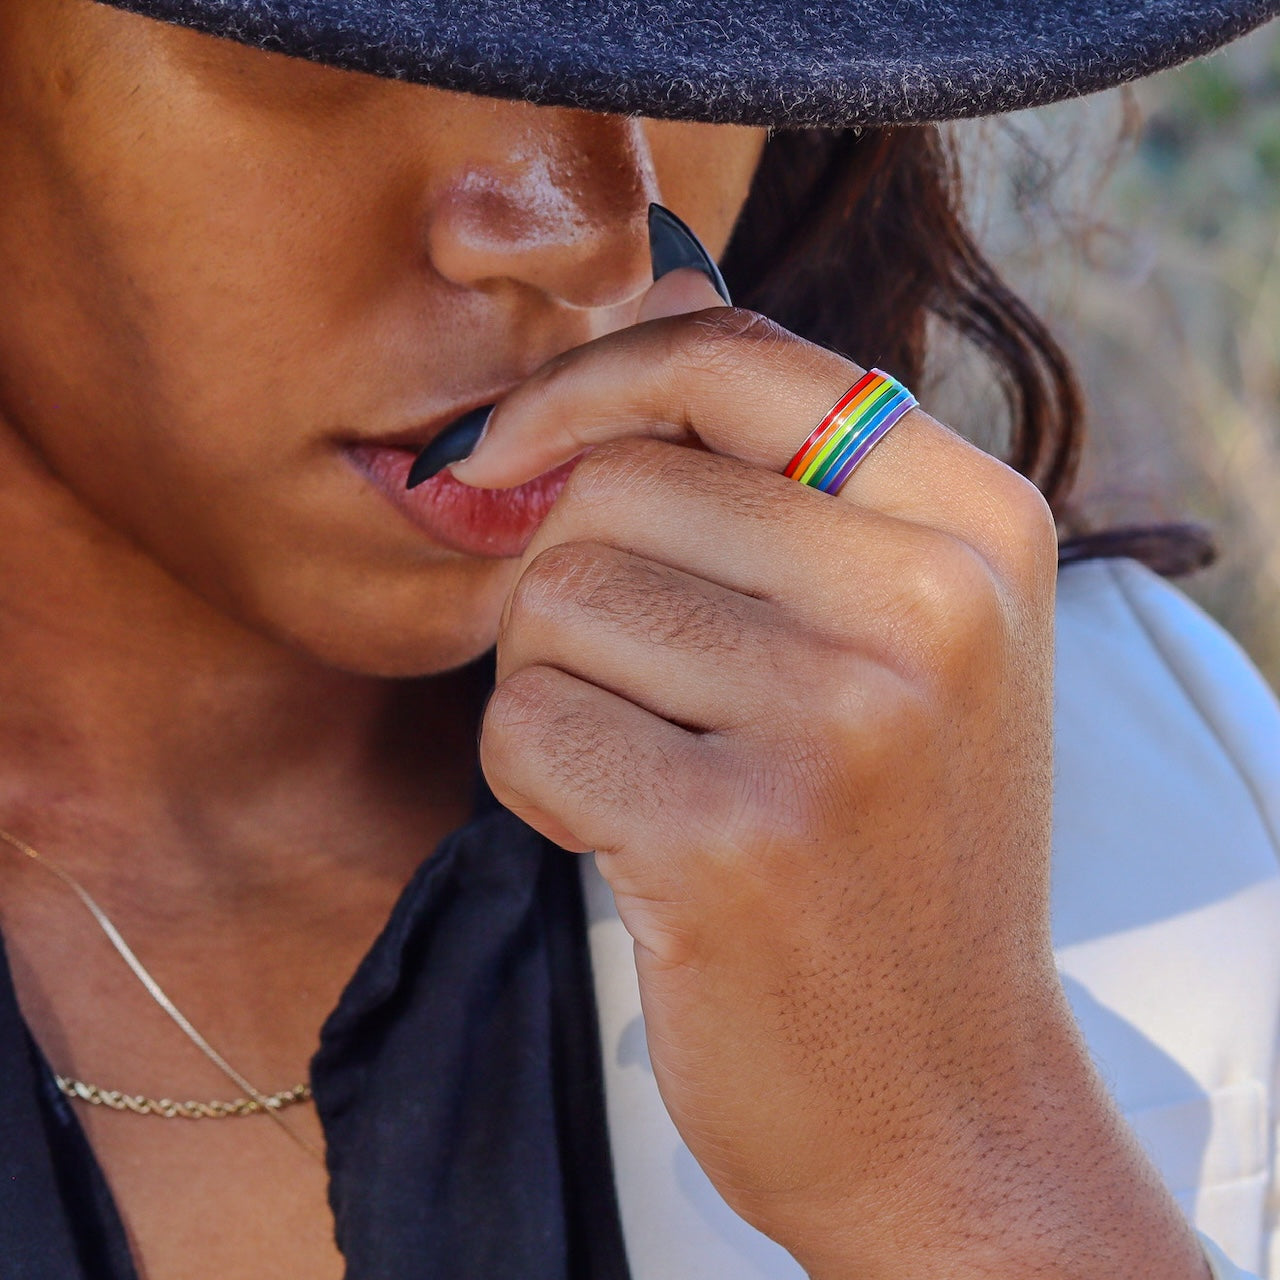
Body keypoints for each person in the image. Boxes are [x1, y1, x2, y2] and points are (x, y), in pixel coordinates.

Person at [0, 0, 1276, 1277]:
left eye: (676, 27)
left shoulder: (1173, 823)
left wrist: (974, 1172)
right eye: (321, 42)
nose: (587, 240)